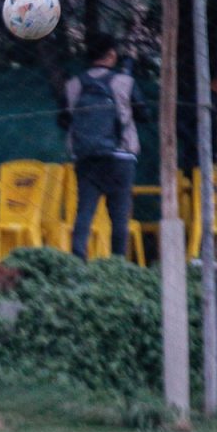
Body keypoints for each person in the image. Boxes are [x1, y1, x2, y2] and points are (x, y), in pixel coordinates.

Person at [60, 32, 149, 261]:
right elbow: (144, 114)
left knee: (84, 212)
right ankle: (117, 264)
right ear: (111, 54)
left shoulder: (73, 85)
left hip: (86, 158)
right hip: (121, 157)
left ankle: (77, 262)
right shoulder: (125, 82)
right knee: (119, 216)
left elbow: (64, 120)